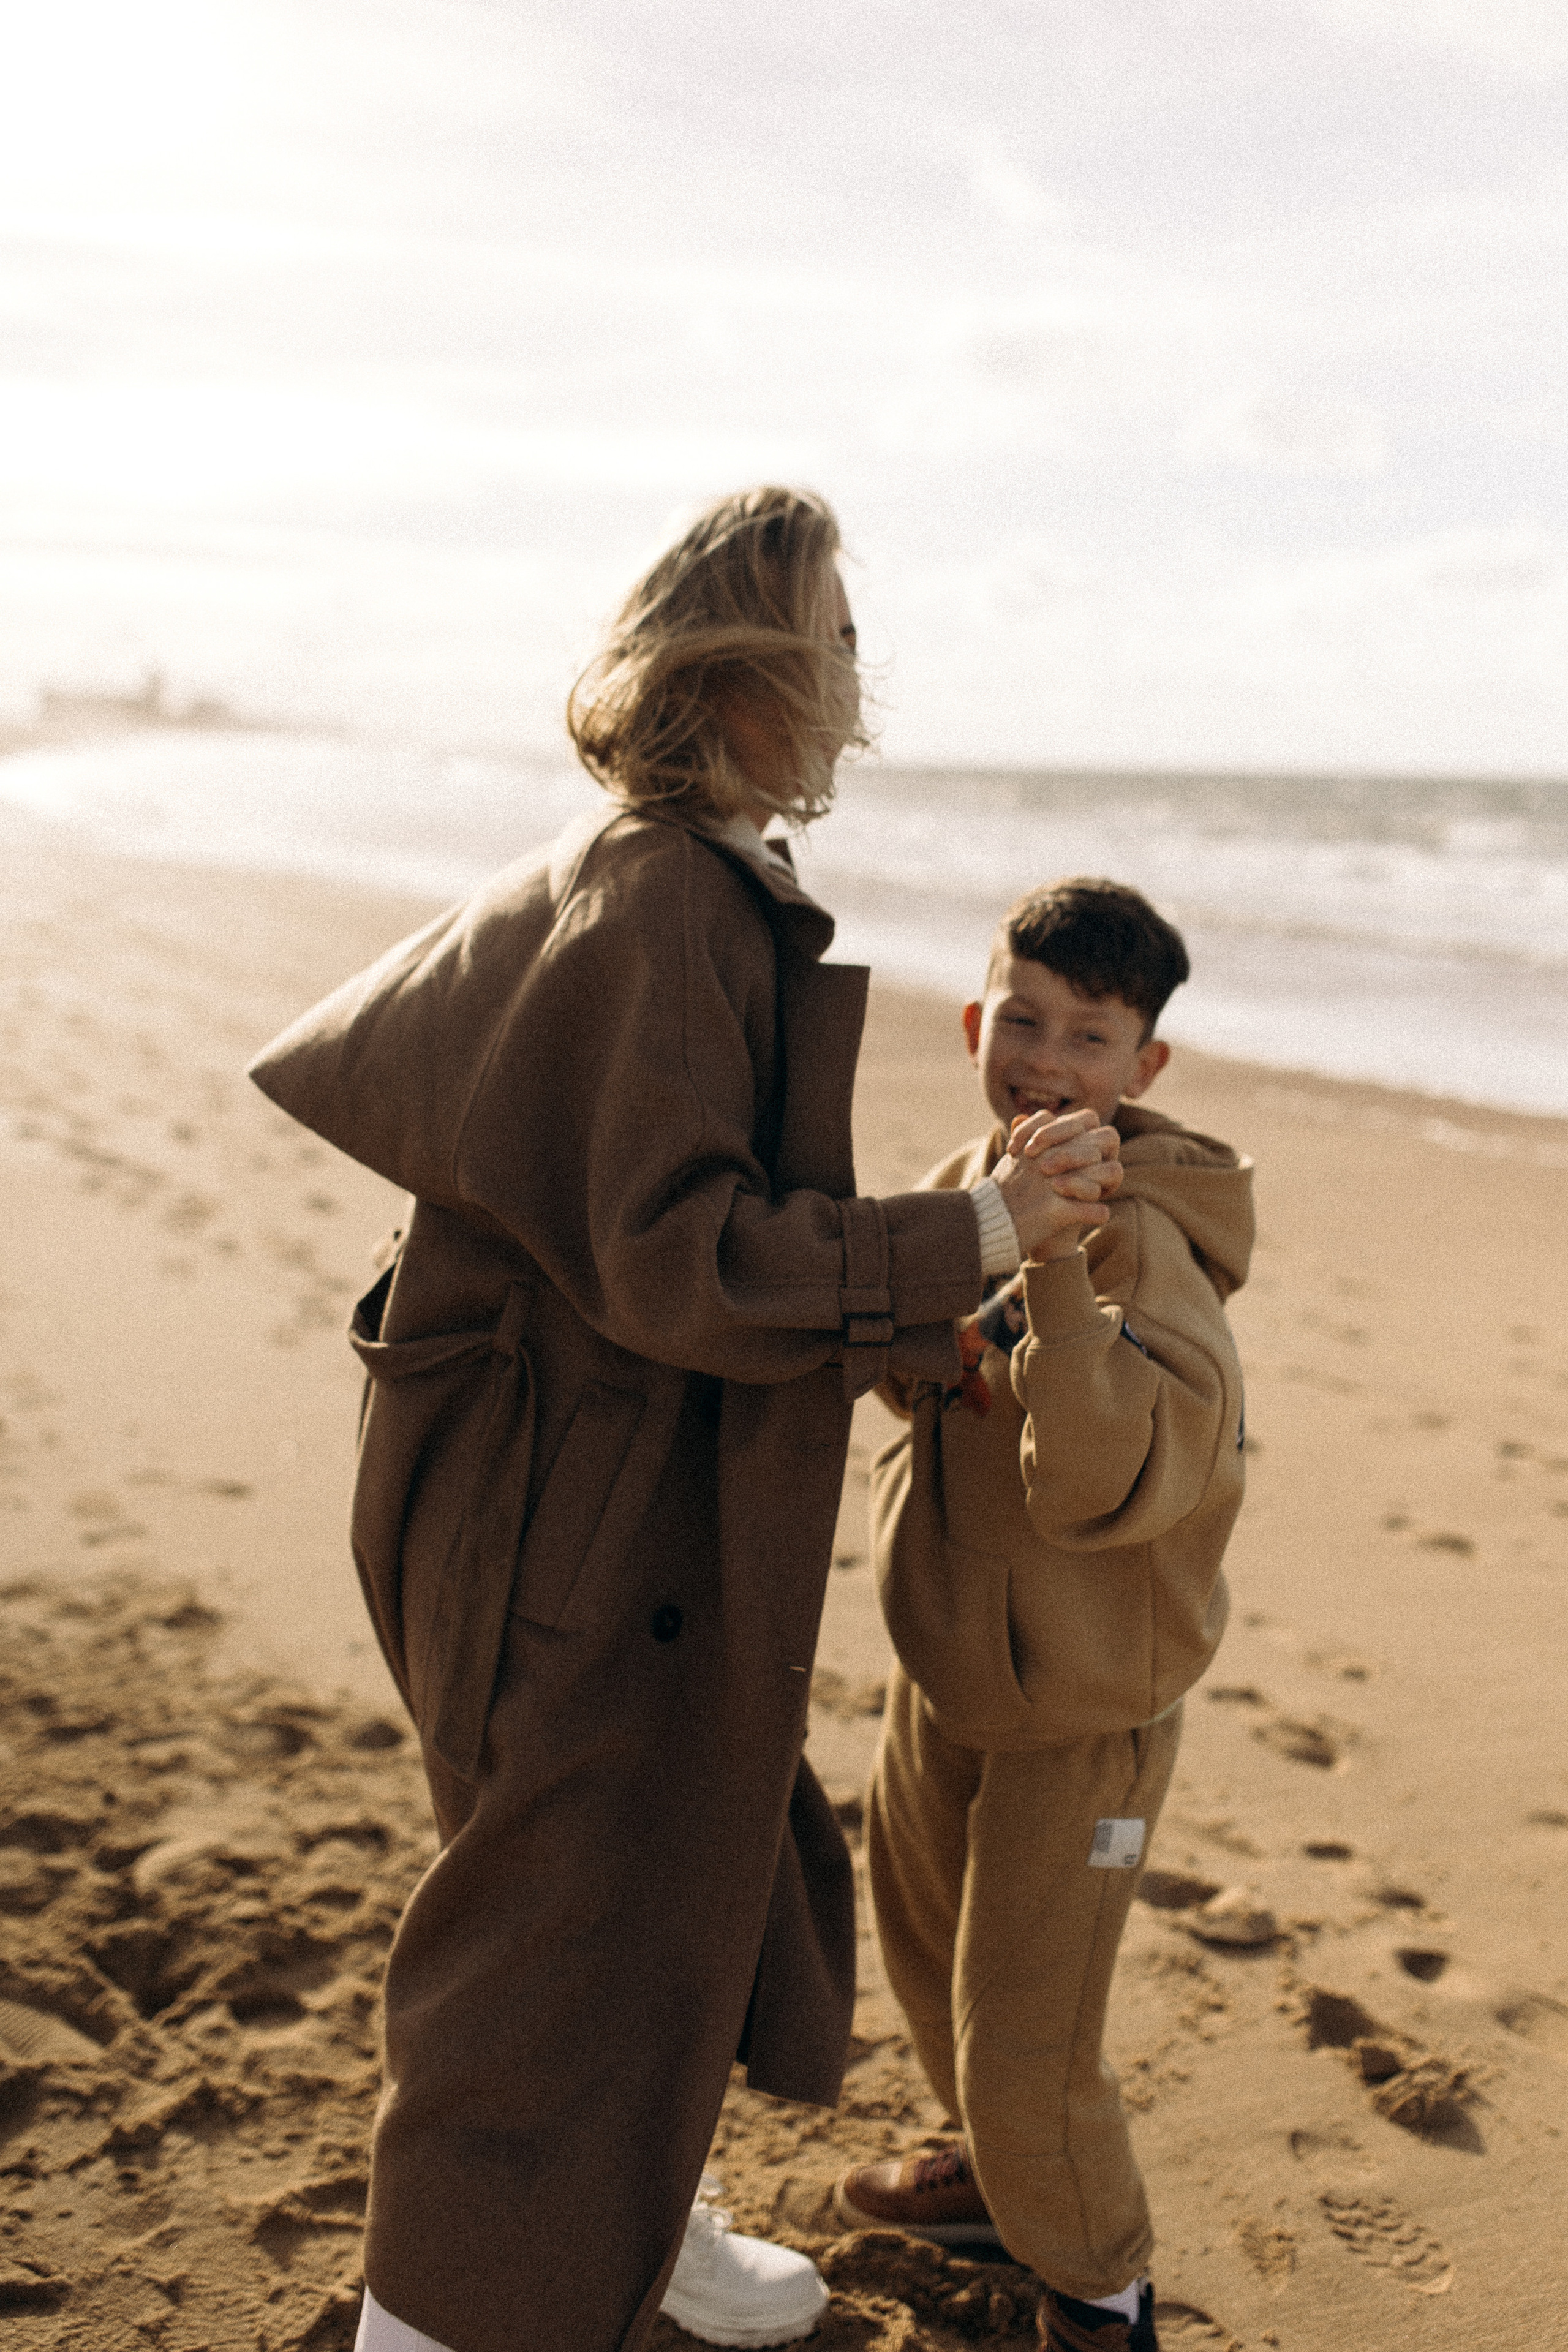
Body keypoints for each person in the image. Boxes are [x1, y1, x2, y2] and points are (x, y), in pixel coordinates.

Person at [246, 489, 1123, 2352]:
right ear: (736, 677)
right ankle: (428, 2323)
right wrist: (973, 1233)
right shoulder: (657, 897)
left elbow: (661, 1223)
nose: (856, 679)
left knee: (662, 1879)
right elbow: (677, 1254)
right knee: (543, 1938)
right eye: (831, 643)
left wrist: (915, 1316)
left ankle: (639, 2235)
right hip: (570, 1519)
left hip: (567, 1484)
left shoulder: (670, 872)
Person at [834, 880, 1254, 2352]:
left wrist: (1054, 1271)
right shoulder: (972, 1182)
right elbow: (919, 1377)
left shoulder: (1144, 1242)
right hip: (948, 1666)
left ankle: (1098, 2296)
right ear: (973, 1024)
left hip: (1081, 1710)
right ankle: (984, 2180)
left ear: (1143, 1068)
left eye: (1088, 1035)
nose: (1045, 1060)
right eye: (1021, 1019)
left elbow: (1101, 1479)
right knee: (922, 1955)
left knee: (1027, 2037)